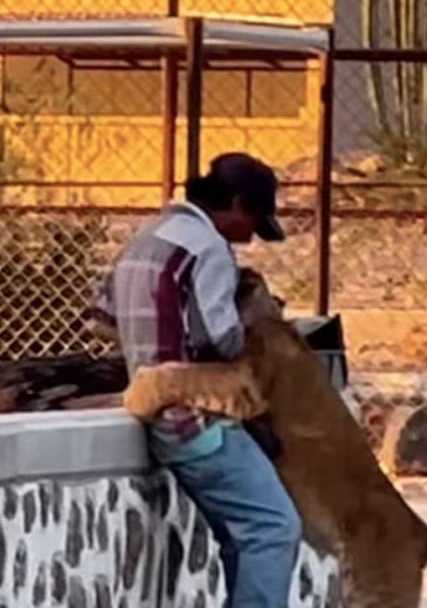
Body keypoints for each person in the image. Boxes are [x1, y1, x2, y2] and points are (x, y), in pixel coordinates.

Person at [87, 152, 300, 608]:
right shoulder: (208, 248)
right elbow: (218, 338)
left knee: (242, 536)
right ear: (238, 203)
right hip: (197, 419)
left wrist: (149, 341)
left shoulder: (147, 236)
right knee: (273, 528)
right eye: (253, 222)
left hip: (153, 410)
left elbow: (102, 318)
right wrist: (258, 324)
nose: (249, 239)